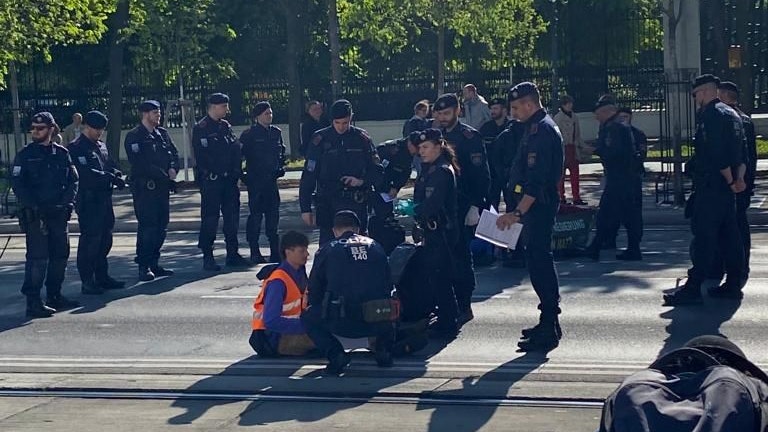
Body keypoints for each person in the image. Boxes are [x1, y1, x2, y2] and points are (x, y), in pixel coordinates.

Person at [663, 74, 746, 306]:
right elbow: (741, 151)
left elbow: (717, 153)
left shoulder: (711, 115)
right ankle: (733, 284)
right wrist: (738, 179)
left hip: (712, 187)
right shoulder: (732, 114)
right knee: (730, 237)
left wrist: (730, 179)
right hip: (727, 189)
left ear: (706, 91)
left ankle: (693, 289)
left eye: (696, 94)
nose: (695, 99)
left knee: (704, 239)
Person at [496, 82, 564, 352]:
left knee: (540, 263)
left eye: (515, 107)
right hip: (534, 208)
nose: (512, 113)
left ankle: (549, 324)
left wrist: (516, 213)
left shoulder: (542, 130)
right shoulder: (533, 128)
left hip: (538, 208)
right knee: (536, 262)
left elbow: (536, 182)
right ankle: (548, 321)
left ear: (528, 103)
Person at [301, 211, 395, 375]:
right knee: (389, 305)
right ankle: (383, 351)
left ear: (334, 230)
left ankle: (336, 355)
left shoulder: (327, 250)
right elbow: (389, 284)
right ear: (358, 229)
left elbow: (314, 289)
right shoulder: (376, 247)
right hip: (377, 318)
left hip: (343, 320)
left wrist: (321, 306)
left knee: (308, 316)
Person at [10, 112, 79, 318]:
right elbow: (18, 184)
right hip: (37, 215)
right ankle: (33, 301)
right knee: (38, 260)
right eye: (32, 128)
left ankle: (54, 295)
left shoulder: (61, 153)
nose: (35, 131)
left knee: (60, 256)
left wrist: (68, 203)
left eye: (39, 128)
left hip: (58, 213)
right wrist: (32, 205)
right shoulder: (25, 155)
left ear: (51, 129)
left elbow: (73, 180)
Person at [434, 93, 490, 325]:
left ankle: (464, 305)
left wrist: (477, 205)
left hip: (462, 205)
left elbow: (481, 175)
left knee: (460, 259)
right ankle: (447, 306)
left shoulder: (469, 137)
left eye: (447, 113)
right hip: (440, 207)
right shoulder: (435, 136)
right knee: (441, 260)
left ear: (458, 110)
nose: (443, 118)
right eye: (439, 114)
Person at [299, 99, 383, 245]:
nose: (341, 127)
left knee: (359, 246)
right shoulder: (320, 139)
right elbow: (309, 175)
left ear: (351, 118)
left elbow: (376, 170)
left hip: (355, 201)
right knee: (328, 248)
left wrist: (361, 181)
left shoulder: (361, 138)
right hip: (328, 201)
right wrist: (305, 208)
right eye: (337, 123)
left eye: (345, 123)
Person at [68, 110, 126, 295]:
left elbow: (109, 164)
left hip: (104, 199)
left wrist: (116, 175)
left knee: (105, 239)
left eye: (101, 130)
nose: (98, 133)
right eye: (95, 129)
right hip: (88, 200)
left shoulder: (100, 146)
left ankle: (102, 276)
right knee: (90, 241)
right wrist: (109, 177)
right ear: (86, 126)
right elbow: (85, 174)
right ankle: (87, 280)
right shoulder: (76, 147)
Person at [411, 129, 461, 337]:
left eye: (426, 147)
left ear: (438, 146)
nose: (421, 151)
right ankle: (445, 315)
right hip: (431, 230)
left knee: (441, 276)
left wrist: (415, 210)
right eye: (420, 148)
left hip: (442, 231)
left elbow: (432, 204)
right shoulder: (428, 168)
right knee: (434, 275)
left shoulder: (441, 171)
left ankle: (449, 321)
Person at [192, 92, 250, 271]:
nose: (227, 109)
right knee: (210, 219)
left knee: (232, 218)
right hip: (212, 181)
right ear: (213, 107)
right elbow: (202, 157)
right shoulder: (201, 128)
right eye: (224, 106)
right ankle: (208, 256)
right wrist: (214, 172)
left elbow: (234, 150)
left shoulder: (225, 126)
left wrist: (236, 172)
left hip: (229, 181)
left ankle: (232, 253)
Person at [124, 100, 180, 281]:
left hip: (162, 189)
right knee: (148, 227)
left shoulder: (161, 133)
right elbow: (140, 163)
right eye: (155, 112)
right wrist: (163, 173)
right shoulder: (134, 136)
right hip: (146, 188)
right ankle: (144, 265)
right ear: (145, 114)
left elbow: (173, 153)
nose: (159, 115)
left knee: (161, 227)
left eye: (159, 112)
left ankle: (154, 262)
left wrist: (173, 168)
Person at [585, 96, 644, 261]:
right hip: (623, 179)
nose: (596, 117)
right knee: (616, 214)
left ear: (607, 111)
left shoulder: (614, 128)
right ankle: (598, 246)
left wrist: (595, 151)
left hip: (621, 179)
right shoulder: (614, 126)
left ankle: (597, 247)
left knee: (611, 215)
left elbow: (614, 153)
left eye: (598, 114)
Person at [249, 231, 314, 357]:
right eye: (302, 251)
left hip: (287, 332)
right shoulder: (278, 282)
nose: (307, 254)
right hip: (274, 338)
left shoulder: (299, 273)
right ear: (288, 252)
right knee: (325, 339)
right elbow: (271, 321)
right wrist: (308, 326)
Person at [716, 81, 756, 286]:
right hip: (740, 182)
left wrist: (738, 181)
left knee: (736, 228)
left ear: (724, 96)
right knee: (735, 227)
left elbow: (742, 156)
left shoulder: (734, 119)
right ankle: (736, 267)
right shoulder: (742, 119)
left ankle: (737, 268)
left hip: (735, 183)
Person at [240, 101, 287, 264]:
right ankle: (254, 251)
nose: (270, 116)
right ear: (257, 116)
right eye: (266, 113)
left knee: (273, 217)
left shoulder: (276, 132)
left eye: (271, 113)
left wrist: (281, 167)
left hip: (271, 181)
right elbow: (240, 156)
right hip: (256, 181)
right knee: (256, 217)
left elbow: (281, 152)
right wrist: (243, 176)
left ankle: (275, 251)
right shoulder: (249, 134)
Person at [372, 136, 418, 219]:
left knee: (386, 217)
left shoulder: (409, 154)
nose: (420, 151)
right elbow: (375, 172)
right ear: (410, 143)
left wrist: (395, 188)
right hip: (374, 187)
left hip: (387, 192)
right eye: (417, 147)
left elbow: (405, 173)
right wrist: (387, 188)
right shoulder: (388, 149)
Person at [553, 95, 586, 205]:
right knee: (561, 176)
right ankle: (561, 197)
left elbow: (577, 134)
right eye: (568, 103)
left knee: (575, 174)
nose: (570, 105)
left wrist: (582, 146)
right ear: (563, 105)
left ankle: (576, 197)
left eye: (571, 103)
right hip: (562, 148)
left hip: (573, 147)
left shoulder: (575, 117)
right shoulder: (558, 118)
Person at [479, 97, 510, 209]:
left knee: (512, 203)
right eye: (491, 108)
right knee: (491, 206)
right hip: (492, 174)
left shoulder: (513, 128)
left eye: (496, 108)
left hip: (508, 174)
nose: (492, 111)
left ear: (505, 110)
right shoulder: (486, 128)